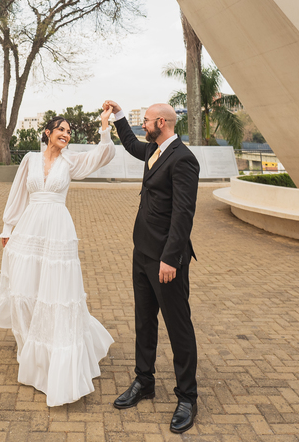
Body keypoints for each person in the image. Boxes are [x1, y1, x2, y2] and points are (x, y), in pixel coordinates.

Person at [0, 109, 118, 406]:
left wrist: (105, 126)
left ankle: (49, 351)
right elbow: (18, 193)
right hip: (29, 227)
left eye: (69, 132)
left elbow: (103, 154)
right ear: (48, 133)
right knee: (22, 291)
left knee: (53, 292)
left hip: (57, 227)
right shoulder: (30, 160)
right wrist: (8, 225)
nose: (66, 134)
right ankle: (27, 346)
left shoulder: (71, 161)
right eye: (61, 129)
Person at [104, 100, 199, 434]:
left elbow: (183, 214)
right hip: (141, 253)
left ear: (162, 122)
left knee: (178, 326)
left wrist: (171, 258)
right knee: (144, 321)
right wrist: (117, 115)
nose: (142, 124)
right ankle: (144, 382)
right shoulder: (153, 150)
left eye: (145, 120)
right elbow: (130, 143)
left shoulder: (184, 159)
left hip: (166, 260)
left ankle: (187, 396)